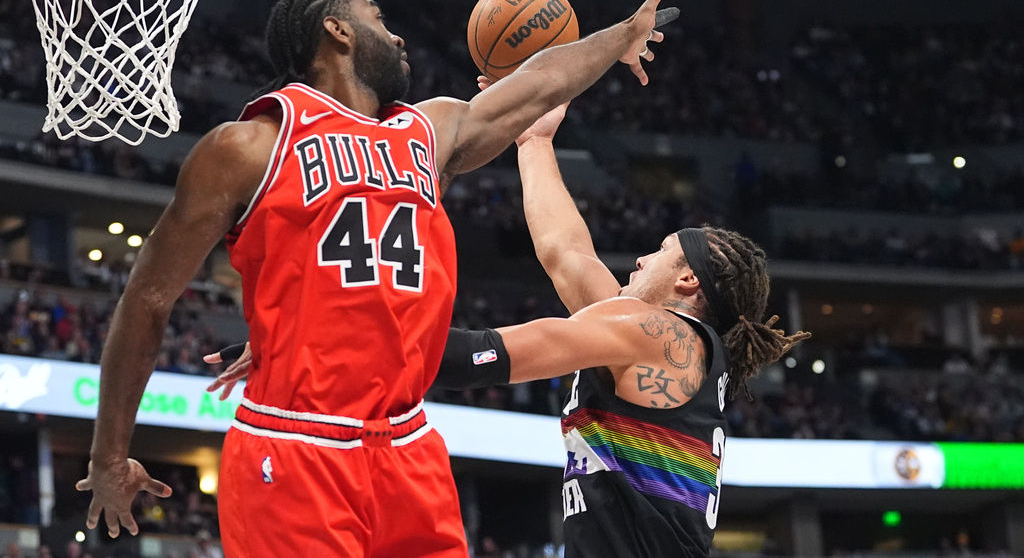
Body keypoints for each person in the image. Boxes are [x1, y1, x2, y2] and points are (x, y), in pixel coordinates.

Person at [75, 0, 673, 557]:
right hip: (294, 444)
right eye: (379, 19)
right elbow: (147, 300)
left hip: (408, 443)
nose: (399, 38)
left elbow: (540, 82)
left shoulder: (428, 129)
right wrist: (107, 457)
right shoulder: (246, 147)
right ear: (337, 30)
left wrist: (620, 36)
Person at [209, 103, 811, 557]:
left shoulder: (656, 335)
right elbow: (565, 252)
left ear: (687, 285)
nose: (636, 263)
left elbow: (486, 357)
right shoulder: (658, 342)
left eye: (656, 254)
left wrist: (301, 345)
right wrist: (534, 139)